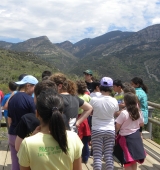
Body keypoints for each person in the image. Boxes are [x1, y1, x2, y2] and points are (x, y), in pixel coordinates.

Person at [17, 88, 83, 170]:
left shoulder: (28, 144)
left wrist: (32, 137)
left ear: (37, 114)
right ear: (61, 113)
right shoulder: (73, 137)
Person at [15, 79, 59, 151]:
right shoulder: (61, 117)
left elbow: (18, 147)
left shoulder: (27, 119)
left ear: (36, 98)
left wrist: (32, 137)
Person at [8, 75, 38, 170]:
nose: (34, 90)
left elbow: (9, 118)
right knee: (26, 164)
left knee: (15, 163)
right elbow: (36, 118)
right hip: (24, 137)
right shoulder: (30, 100)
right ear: (28, 86)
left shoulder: (12, 98)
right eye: (34, 87)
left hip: (12, 134)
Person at [89, 77, 119, 170]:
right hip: (110, 129)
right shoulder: (114, 100)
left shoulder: (94, 99)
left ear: (100, 87)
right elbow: (115, 113)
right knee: (108, 155)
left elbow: (90, 112)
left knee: (97, 156)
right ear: (111, 88)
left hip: (97, 129)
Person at [115, 92, 146, 170]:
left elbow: (117, 125)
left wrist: (115, 133)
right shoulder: (139, 112)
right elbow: (141, 124)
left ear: (126, 101)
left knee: (127, 160)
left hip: (126, 138)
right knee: (134, 159)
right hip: (136, 136)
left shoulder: (124, 113)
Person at [76, 80, 91, 164]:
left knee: (77, 140)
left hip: (77, 118)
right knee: (85, 141)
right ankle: (85, 158)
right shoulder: (87, 96)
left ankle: (77, 157)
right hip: (85, 119)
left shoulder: (75, 97)